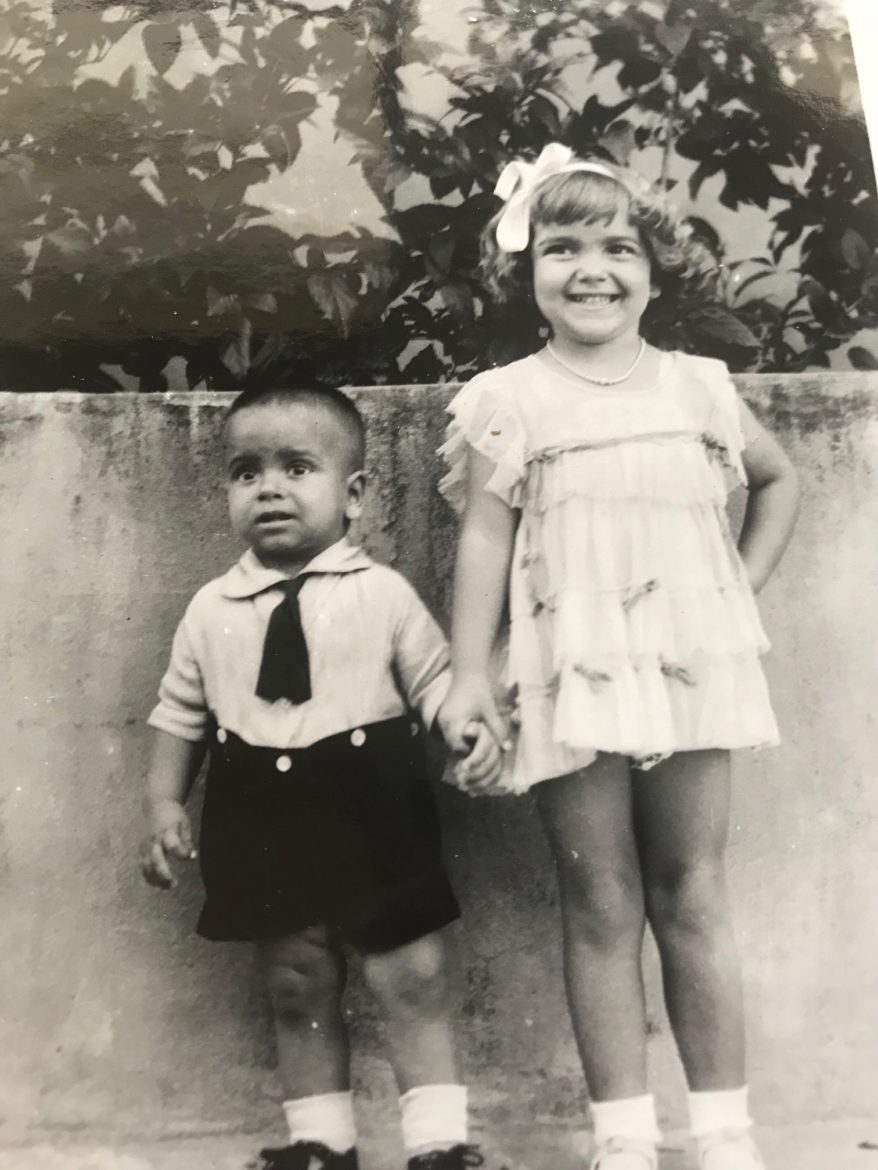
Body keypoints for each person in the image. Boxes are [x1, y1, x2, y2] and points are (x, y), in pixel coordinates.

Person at [438, 144, 800, 1170]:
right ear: (525, 273)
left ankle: (724, 1133)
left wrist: (731, 597)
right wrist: (470, 674)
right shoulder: (508, 397)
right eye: (560, 247)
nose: (590, 268)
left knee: (691, 886)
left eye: (616, 246)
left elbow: (774, 481)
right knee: (599, 898)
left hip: (689, 668)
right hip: (572, 676)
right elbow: (481, 537)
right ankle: (623, 1140)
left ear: (654, 268)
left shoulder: (696, 388)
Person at [141, 385, 499, 1170]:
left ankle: (438, 1145)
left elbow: (436, 680)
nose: (268, 487)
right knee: (295, 979)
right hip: (259, 811)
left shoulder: (383, 594)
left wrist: (463, 727)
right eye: (246, 472)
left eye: (296, 467)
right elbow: (180, 712)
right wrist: (165, 800)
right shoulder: (210, 609)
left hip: (374, 804)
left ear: (356, 494)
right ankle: (320, 1144)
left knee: (412, 971)